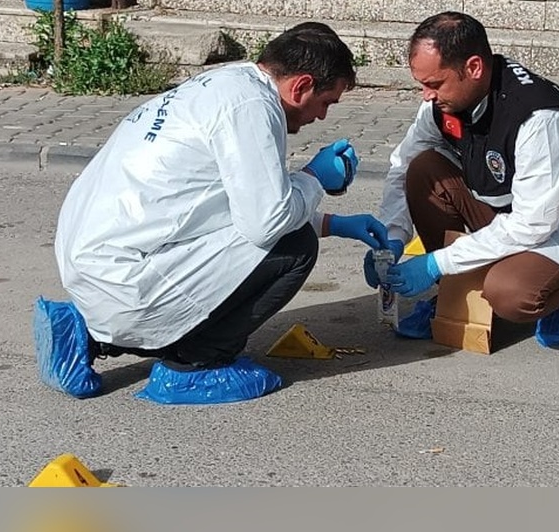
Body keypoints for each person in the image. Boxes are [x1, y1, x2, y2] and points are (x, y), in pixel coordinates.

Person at [37, 22, 388, 404]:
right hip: (127, 281)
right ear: (301, 86)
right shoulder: (253, 108)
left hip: (94, 267)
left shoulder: (227, 83)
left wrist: (335, 224)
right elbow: (265, 223)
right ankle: (194, 365)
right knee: (296, 248)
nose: (321, 117)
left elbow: (228, 207)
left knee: (285, 234)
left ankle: (84, 333)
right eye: (327, 103)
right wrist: (314, 180)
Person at [366, 11, 559, 347]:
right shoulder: (445, 100)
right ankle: (453, 294)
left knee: (512, 293)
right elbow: (403, 163)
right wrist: (393, 235)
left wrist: (435, 263)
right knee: (423, 168)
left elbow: (533, 225)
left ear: (473, 68)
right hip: (506, 210)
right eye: (421, 84)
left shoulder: (541, 117)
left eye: (434, 84)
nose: (426, 96)